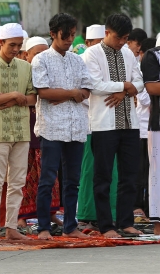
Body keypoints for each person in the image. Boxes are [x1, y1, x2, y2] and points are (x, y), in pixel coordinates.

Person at [81, 13, 144, 238]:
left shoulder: (128, 53)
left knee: (129, 175)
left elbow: (140, 83)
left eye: (126, 38)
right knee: (103, 177)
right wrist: (124, 87)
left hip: (129, 121)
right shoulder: (91, 54)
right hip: (103, 125)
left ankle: (126, 221)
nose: (122, 43)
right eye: (119, 38)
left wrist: (123, 90)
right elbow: (94, 84)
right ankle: (106, 225)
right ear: (107, 33)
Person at [32, 13, 93, 240]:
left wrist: (64, 95)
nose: (70, 39)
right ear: (52, 34)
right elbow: (44, 92)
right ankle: (43, 228)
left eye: (73, 35)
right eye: (65, 35)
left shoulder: (78, 59)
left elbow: (86, 90)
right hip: (52, 127)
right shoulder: (41, 59)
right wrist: (71, 93)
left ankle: (70, 226)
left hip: (76, 127)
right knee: (48, 179)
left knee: (72, 181)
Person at [0, 23, 37, 242]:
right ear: (0, 43)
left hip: (21, 130)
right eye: (12, 45)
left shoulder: (25, 67)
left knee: (17, 182)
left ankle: (11, 226)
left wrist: (10, 98)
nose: (15, 49)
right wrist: (15, 96)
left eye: (19, 45)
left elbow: (32, 98)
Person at [16, 37, 62, 228]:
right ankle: (20, 216)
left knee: (50, 174)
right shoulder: (21, 73)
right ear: (26, 55)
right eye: (37, 53)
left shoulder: (50, 72)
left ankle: (50, 213)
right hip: (25, 128)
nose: (41, 58)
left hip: (47, 128)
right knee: (25, 176)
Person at [76, 23, 119, 228]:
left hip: (112, 122)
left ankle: (109, 213)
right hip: (91, 122)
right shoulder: (85, 58)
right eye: (95, 42)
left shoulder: (114, 57)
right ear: (88, 42)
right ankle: (86, 212)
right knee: (90, 170)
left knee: (111, 171)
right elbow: (87, 92)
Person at [134, 38, 157, 222]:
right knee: (146, 173)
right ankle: (147, 211)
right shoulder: (148, 62)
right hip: (146, 127)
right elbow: (147, 95)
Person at [141, 41, 160, 234]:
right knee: (158, 176)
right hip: (159, 126)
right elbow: (153, 88)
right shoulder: (153, 56)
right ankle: (158, 226)